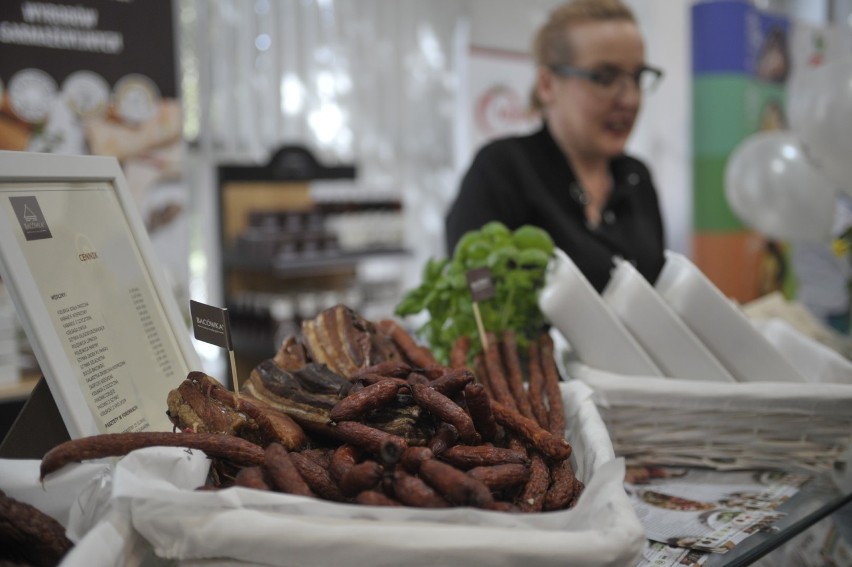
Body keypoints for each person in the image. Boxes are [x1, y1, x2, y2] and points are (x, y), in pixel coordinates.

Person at [445, 0, 666, 292]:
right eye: (605, 77)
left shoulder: (636, 177)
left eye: (637, 77)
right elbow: (476, 289)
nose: (630, 99)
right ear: (547, 84)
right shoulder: (502, 170)